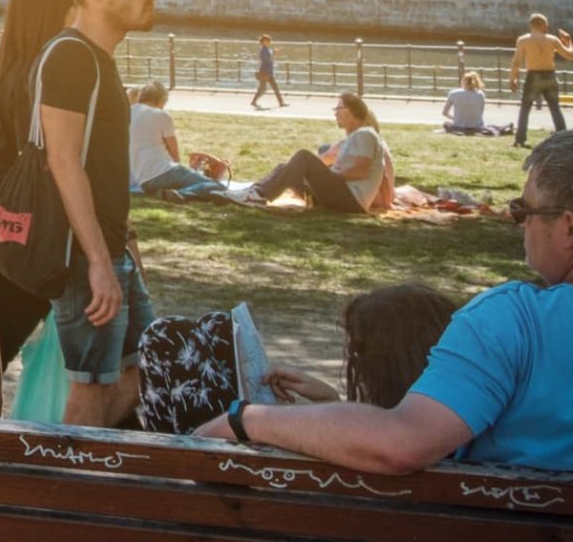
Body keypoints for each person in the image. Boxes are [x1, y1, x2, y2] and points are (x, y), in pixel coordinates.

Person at [193, 130, 573, 473]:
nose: (520, 224)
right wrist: (331, 402)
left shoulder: (512, 320)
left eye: (525, 211)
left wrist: (248, 420)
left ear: (568, 226)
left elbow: (402, 443)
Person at [23, 0, 159, 427]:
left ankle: (79, 477)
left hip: (106, 248)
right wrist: (100, 261)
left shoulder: (93, 57)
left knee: (143, 367)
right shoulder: (71, 58)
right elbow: (62, 162)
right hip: (84, 254)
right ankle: (61, 492)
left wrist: (120, 246)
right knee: (92, 388)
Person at [139, 284, 457, 435]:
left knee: (167, 337)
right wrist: (332, 400)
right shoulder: (452, 426)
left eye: (357, 353)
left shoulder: (381, 441)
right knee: (211, 330)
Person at [0, 0, 76, 367]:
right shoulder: (44, 78)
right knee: (0, 340)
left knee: (2, 325)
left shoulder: (9, 71)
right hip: (26, 216)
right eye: (72, 5)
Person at [239, 92, 396, 215]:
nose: (335, 114)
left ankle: (259, 195)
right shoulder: (356, 136)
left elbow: (360, 172)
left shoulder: (365, 134)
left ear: (350, 111)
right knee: (286, 168)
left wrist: (326, 176)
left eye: (338, 109)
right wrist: (322, 178)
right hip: (341, 198)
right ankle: (255, 191)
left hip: (350, 201)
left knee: (304, 157)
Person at [127, 82, 230, 202]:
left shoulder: (126, 113)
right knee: (218, 187)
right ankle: (182, 194)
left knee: (192, 180)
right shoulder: (161, 115)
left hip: (144, 182)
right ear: (162, 100)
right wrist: (189, 170)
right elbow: (174, 154)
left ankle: (172, 193)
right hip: (165, 172)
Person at [510, 14, 571, 148]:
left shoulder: (523, 40)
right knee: (555, 108)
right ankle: (563, 138)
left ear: (531, 25)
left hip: (533, 75)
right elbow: (570, 56)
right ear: (543, 25)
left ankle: (520, 139)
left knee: (525, 108)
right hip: (550, 75)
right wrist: (568, 41)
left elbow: (516, 62)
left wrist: (513, 78)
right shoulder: (553, 39)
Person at [252, 34, 286, 109]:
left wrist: (274, 53)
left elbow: (270, 59)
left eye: (269, 41)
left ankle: (281, 102)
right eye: (267, 41)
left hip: (269, 72)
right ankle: (254, 101)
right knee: (263, 88)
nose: (269, 42)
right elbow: (267, 60)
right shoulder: (263, 50)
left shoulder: (268, 49)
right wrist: (273, 54)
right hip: (265, 72)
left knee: (275, 87)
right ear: (263, 42)